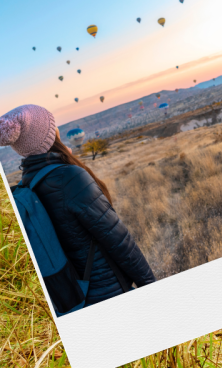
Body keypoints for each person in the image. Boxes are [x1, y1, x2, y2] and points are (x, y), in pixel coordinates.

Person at [2, 104, 156, 307]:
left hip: (74, 297)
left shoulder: (26, 184)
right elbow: (119, 241)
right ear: (48, 136)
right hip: (109, 290)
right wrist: (151, 287)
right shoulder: (69, 177)